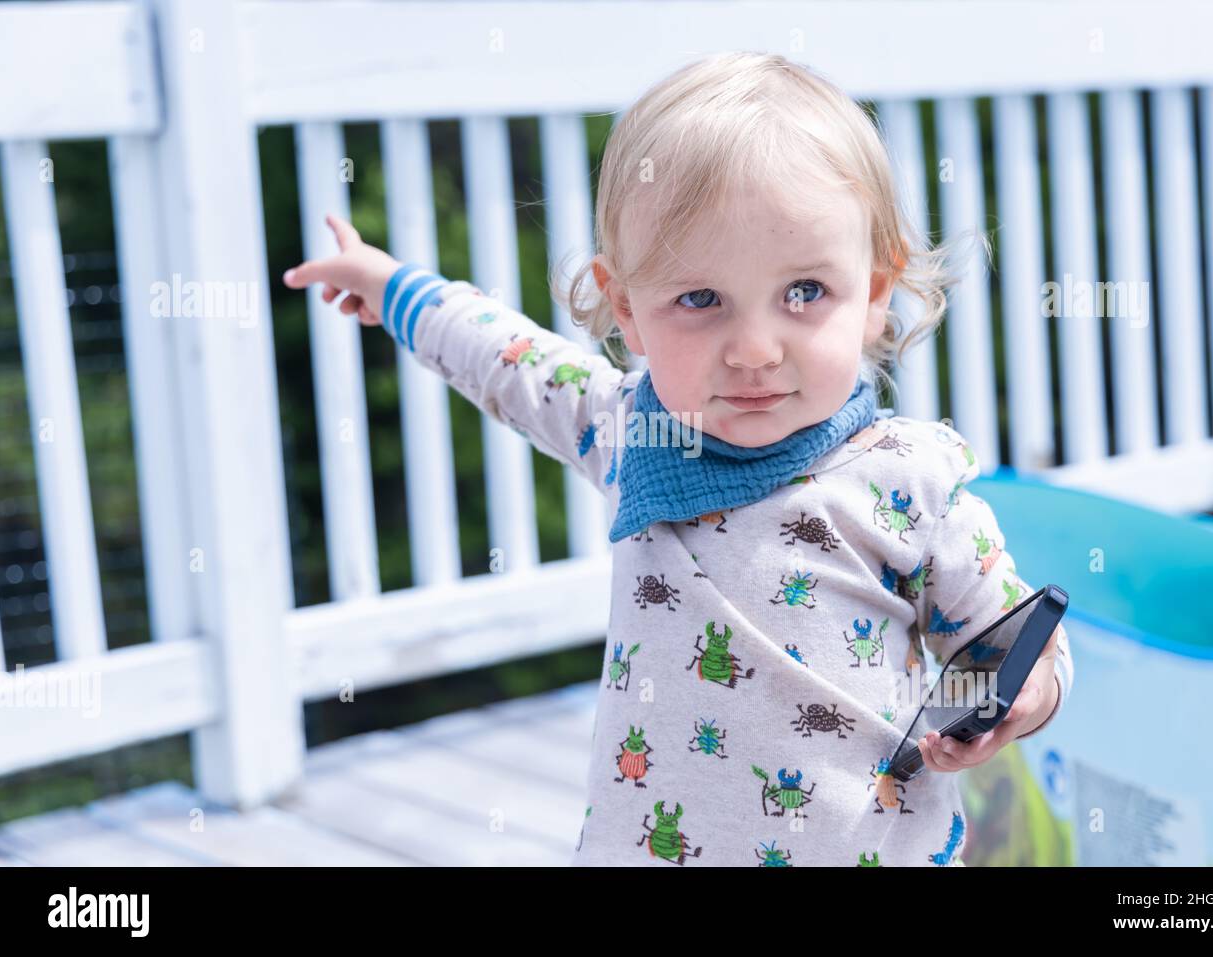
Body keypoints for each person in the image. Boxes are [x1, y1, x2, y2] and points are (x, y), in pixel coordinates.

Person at [282, 51, 1073, 866]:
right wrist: (388, 285)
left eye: (804, 291)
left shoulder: (908, 477)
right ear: (626, 307)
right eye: (700, 300)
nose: (756, 350)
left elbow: (1012, 641)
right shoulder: (634, 430)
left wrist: (1016, 700)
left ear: (874, 295)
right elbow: (505, 356)